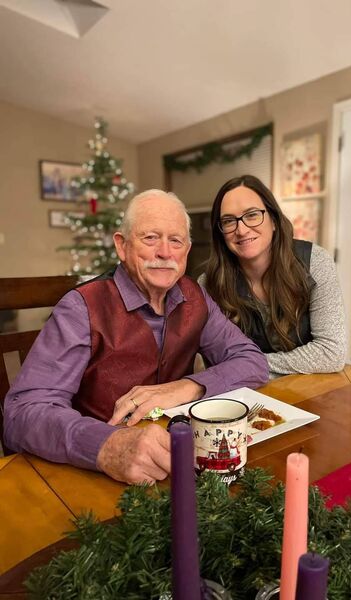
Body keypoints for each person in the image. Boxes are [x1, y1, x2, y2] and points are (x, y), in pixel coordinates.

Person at [4, 190, 268, 484]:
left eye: (175, 241)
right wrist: (105, 445)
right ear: (122, 246)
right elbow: (21, 414)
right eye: (151, 238)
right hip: (94, 476)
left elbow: (252, 361)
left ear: (187, 251)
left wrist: (188, 386)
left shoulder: (196, 297)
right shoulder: (81, 307)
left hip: (178, 462)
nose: (165, 253)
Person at [200, 175, 346, 377]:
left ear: (274, 220)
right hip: (246, 395)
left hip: (311, 393)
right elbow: (215, 362)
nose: (241, 230)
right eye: (228, 221)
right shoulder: (209, 284)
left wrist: (248, 365)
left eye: (252, 215)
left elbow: (332, 353)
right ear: (221, 232)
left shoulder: (314, 262)